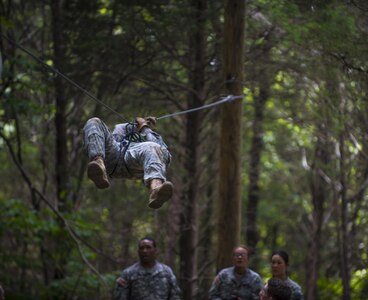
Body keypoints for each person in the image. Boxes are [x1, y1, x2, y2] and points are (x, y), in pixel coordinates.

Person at [83, 116, 173, 209]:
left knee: (153, 147)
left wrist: (145, 128)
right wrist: (138, 123)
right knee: (94, 122)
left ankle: (156, 189)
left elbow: (164, 154)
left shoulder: (152, 140)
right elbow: (119, 129)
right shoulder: (120, 136)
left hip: (134, 162)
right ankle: (99, 165)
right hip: (115, 156)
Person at [112, 237, 181, 300]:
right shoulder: (128, 273)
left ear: (155, 250)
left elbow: (175, 296)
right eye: (142, 248)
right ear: (138, 252)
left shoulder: (166, 272)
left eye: (148, 247)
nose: (145, 251)